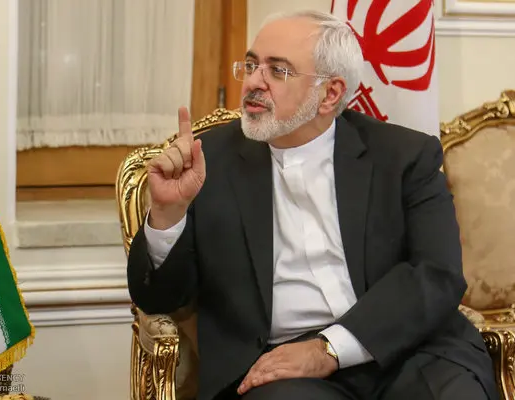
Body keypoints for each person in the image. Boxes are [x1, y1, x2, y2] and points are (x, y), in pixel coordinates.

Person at [126, 9, 498, 400]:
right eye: (251, 66)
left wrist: (329, 349)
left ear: (330, 94)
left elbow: (437, 274)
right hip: (281, 368)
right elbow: (158, 298)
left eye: (277, 70)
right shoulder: (208, 163)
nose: (253, 82)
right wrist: (168, 215)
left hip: (409, 349)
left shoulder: (403, 156)